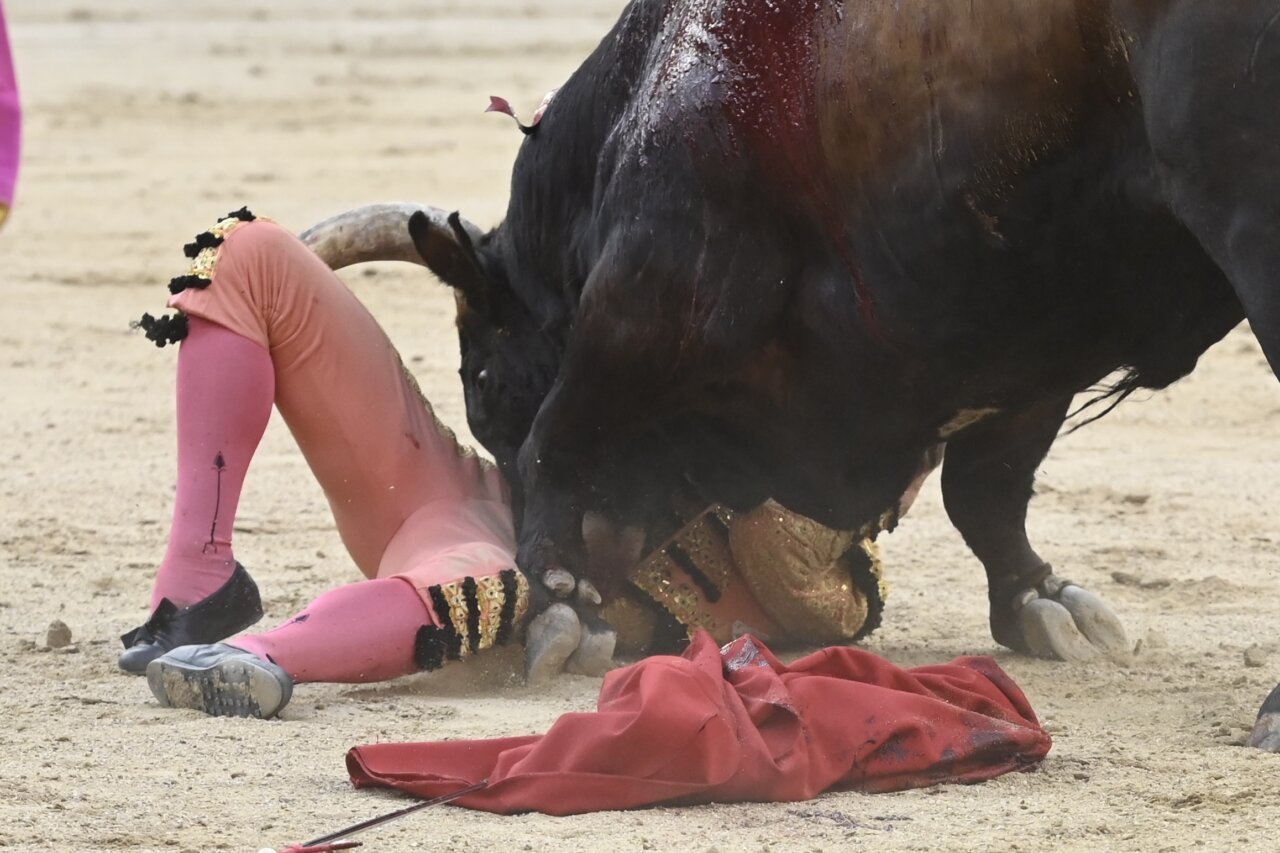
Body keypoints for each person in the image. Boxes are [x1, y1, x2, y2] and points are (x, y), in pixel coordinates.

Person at [126, 208, 901, 719]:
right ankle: (201, 581)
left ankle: (259, 655)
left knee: (486, 587)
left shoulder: (828, 537)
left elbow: (817, 518)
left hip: (534, 561)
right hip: (476, 492)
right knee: (244, 250)